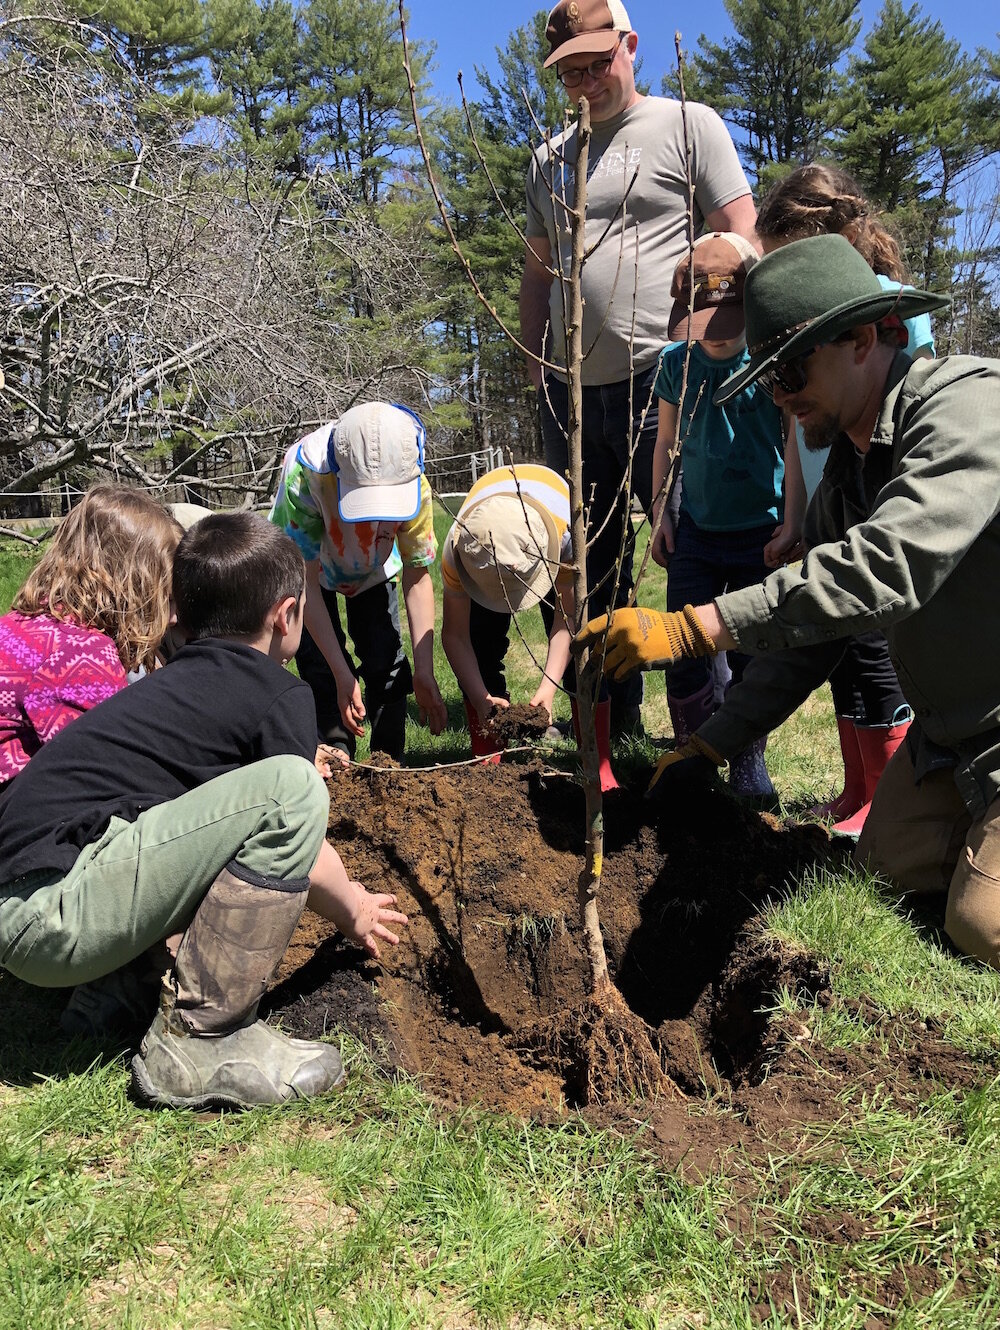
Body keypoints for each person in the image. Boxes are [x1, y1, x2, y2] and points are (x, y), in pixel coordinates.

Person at [579, 235, 1000, 974]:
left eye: (794, 368)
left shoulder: (967, 408)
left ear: (863, 338)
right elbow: (813, 640)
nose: (781, 394)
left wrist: (697, 627)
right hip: (954, 741)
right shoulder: (851, 474)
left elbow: (889, 565)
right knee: (882, 876)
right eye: (769, 376)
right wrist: (712, 741)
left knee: (978, 927)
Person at [0, 512, 407, 1109]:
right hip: (53, 914)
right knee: (293, 789)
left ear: (180, 615)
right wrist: (355, 909)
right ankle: (202, 1038)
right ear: (286, 616)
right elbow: (301, 835)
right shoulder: (281, 693)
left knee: (185, 813)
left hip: (25, 902)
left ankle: (115, 989)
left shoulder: (155, 689)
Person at [520, 0, 756, 738]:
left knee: (690, 545)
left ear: (630, 45)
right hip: (573, 390)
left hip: (672, 381)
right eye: (571, 72)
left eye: (599, 62)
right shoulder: (549, 159)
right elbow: (536, 274)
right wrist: (535, 370)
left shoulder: (689, 125)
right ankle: (606, 724)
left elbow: (742, 229)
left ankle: (718, 731)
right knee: (587, 560)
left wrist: (720, 348)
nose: (587, 81)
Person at [756, 163, 935, 834]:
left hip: (877, 503)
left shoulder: (884, 305)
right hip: (833, 495)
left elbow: (902, 413)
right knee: (836, 645)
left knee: (874, 647)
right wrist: (795, 515)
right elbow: (797, 433)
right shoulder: (798, 348)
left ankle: (886, 800)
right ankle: (859, 786)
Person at [651, 232, 785, 799]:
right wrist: (660, 510)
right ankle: (694, 753)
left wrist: (794, 519)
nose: (716, 342)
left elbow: (793, 441)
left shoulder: (772, 359)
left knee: (753, 650)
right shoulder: (676, 365)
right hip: (697, 528)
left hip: (762, 528)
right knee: (681, 646)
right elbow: (663, 442)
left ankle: (746, 757)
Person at [269, 401, 447, 762]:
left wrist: (425, 671)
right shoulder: (304, 475)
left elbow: (416, 573)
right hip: (311, 571)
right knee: (320, 666)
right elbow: (305, 583)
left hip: (372, 570)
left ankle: (388, 765)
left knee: (386, 661)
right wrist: (340, 672)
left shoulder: (413, 479)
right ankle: (336, 757)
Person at [438, 463, 620, 788]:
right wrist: (481, 697)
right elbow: (455, 636)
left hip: (544, 537)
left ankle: (597, 761)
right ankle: (487, 758)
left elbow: (567, 621)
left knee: (584, 652)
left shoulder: (564, 539)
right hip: (489, 548)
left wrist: (548, 690)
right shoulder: (460, 549)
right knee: (481, 644)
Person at [0, 485, 182, 784]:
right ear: (131, 589)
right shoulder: (81, 653)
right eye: (167, 598)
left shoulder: (21, 624)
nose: (173, 617)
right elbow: (114, 770)